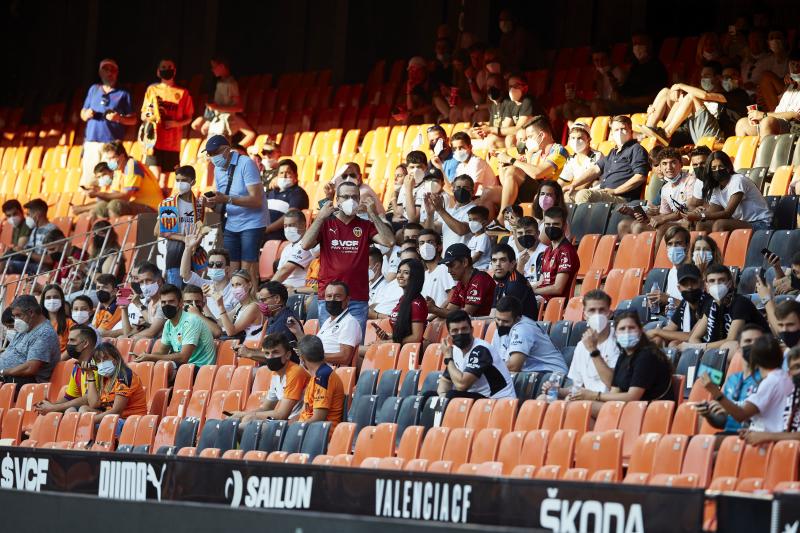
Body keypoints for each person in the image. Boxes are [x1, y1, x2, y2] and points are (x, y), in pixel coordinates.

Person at [300, 181, 394, 329]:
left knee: (354, 345)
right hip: (329, 297)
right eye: (346, 197)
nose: (351, 200)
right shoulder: (326, 224)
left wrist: (373, 214)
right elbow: (305, 244)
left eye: (355, 197)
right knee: (328, 343)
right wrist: (320, 218)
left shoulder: (365, 225)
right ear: (338, 200)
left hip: (357, 297)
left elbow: (389, 241)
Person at [571, 311, 674, 415]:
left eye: (631, 328)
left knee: (582, 407)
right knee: (573, 403)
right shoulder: (623, 356)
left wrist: (594, 395)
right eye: (622, 329)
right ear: (616, 334)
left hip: (650, 412)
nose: (627, 332)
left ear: (641, 331)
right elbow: (615, 391)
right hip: (629, 408)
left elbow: (632, 397)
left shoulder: (647, 355)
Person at [203, 135, 268, 284]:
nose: (212, 157)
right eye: (209, 154)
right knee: (230, 267)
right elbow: (221, 199)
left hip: (252, 222)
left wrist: (227, 199)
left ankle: (251, 301)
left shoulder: (246, 164)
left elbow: (256, 200)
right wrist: (211, 203)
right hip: (232, 221)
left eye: (215, 153)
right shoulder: (217, 169)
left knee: (247, 268)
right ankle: (233, 301)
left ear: (226, 150)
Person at [701, 335, 793, 433]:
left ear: (755, 361)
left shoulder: (771, 381)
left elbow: (741, 415)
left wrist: (715, 391)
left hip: (765, 441)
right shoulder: (785, 378)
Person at [695, 323, 767, 433]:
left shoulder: (767, 379)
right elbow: (723, 422)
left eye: (757, 342)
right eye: (748, 341)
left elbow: (754, 419)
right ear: (738, 347)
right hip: (730, 437)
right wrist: (709, 415)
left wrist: (718, 396)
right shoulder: (733, 379)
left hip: (752, 437)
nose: (753, 345)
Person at [639, 62, 732, 146]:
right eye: (702, 76)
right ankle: (653, 128)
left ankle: (666, 133)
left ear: (717, 78)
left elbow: (705, 95)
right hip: (691, 130)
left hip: (711, 134)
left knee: (690, 97)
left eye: (707, 76)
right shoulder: (698, 92)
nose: (703, 79)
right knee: (666, 92)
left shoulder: (726, 95)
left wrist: (679, 85)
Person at [492, 115, 568, 216]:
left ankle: (502, 218)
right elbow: (508, 182)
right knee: (489, 193)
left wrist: (512, 160)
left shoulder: (559, 151)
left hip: (548, 193)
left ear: (541, 135)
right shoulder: (534, 154)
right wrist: (502, 165)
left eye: (530, 137)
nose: (527, 141)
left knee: (513, 170)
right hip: (531, 192)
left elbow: (537, 173)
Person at [567, 115, 650, 204]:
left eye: (623, 129)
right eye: (616, 130)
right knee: (567, 196)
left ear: (631, 131)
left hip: (621, 198)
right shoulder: (613, 152)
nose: (620, 133)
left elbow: (640, 177)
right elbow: (595, 170)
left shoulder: (636, 149)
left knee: (583, 195)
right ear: (612, 133)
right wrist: (574, 185)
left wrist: (615, 191)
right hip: (604, 194)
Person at [229, 333, 309, 425]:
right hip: (284, 422)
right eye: (267, 353)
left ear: (288, 355)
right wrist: (242, 415)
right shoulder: (276, 373)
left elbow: (282, 414)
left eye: (275, 352)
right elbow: (266, 408)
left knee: (246, 423)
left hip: (297, 423)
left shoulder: (295, 372)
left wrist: (248, 416)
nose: (270, 357)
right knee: (233, 420)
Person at [684, 264, 768, 350]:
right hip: (729, 351)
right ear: (706, 286)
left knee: (729, 346)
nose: (716, 284)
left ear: (730, 283)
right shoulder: (711, 304)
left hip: (760, 347)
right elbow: (694, 338)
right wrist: (700, 351)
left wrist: (700, 347)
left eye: (721, 280)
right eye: (712, 281)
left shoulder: (740, 303)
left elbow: (730, 340)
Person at [79, 59, 135, 186]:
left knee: (109, 182)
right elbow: (82, 114)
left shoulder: (123, 93)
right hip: (92, 143)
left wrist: (118, 118)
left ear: (117, 73)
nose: (109, 72)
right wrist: (86, 114)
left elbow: (133, 120)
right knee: (89, 182)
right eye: (106, 69)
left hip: (111, 146)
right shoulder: (94, 89)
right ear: (100, 72)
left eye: (113, 70)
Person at [437, 310, 516, 399]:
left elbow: (462, 385)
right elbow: (445, 381)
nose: (460, 333)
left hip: (497, 400)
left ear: (472, 330)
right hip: (477, 399)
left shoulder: (481, 350)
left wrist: (448, 358)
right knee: (428, 395)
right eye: (455, 330)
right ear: (449, 335)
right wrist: (442, 397)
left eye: (464, 329)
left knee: (452, 395)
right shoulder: (455, 351)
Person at [688, 150, 772, 232]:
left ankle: (717, 246)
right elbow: (713, 212)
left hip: (761, 223)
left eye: (720, 166)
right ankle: (701, 245)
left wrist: (700, 215)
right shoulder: (716, 188)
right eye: (713, 168)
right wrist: (693, 216)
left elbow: (727, 213)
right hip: (741, 222)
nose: (717, 170)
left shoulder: (738, 180)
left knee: (720, 225)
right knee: (702, 224)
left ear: (728, 168)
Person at [133, 284, 216, 366]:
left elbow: (183, 357)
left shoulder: (191, 321)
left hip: (201, 369)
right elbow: (162, 352)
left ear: (180, 303)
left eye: (171, 301)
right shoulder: (168, 324)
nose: (167, 305)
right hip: (184, 368)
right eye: (163, 302)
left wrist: (151, 357)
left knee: (166, 368)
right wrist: (145, 356)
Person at [140, 58, 194, 182]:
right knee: (154, 178)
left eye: (169, 67)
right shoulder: (152, 90)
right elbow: (144, 114)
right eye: (163, 67)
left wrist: (176, 123)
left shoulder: (183, 93)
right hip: (154, 142)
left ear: (174, 71)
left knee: (164, 184)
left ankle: (163, 202)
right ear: (158, 72)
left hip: (172, 144)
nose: (166, 70)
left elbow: (189, 118)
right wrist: (151, 116)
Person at [289, 281, 361, 366]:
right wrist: (298, 332)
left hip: (330, 373)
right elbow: (312, 350)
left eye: (337, 296)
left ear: (347, 300)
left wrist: (314, 357)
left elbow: (345, 357)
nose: (332, 300)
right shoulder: (328, 321)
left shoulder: (349, 322)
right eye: (329, 296)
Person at [562, 290, 620, 395]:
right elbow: (577, 386)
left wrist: (593, 350)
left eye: (602, 310)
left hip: (606, 401)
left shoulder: (619, 341)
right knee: (543, 398)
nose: (597, 315)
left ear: (609, 313)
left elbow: (613, 384)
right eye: (592, 310)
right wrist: (558, 391)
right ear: (584, 315)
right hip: (584, 400)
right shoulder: (581, 345)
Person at [80, 342, 147, 433]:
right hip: (113, 418)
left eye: (105, 358)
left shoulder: (125, 376)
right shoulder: (104, 377)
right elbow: (94, 404)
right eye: (99, 361)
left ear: (115, 359)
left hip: (130, 421)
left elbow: (116, 410)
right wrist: (91, 376)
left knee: (100, 423)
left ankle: (98, 444)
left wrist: (89, 421)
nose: (102, 363)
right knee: (84, 409)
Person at [156, 165, 205, 287]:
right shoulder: (170, 203)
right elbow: (158, 231)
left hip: (194, 255)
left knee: (193, 294)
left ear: (192, 182)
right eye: (177, 180)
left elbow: (199, 225)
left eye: (184, 180)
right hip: (175, 252)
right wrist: (183, 239)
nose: (180, 183)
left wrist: (201, 232)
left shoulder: (198, 205)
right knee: (175, 292)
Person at [630, 148, 695, 241]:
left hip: (690, 224)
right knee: (634, 225)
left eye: (673, 162)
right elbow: (664, 214)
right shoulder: (665, 188)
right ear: (660, 167)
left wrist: (663, 218)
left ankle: (656, 256)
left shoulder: (690, 180)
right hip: (674, 223)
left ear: (681, 164)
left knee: (661, 228)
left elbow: (688, 209)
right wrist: (648, 218)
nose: (669, 167)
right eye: (664, 164)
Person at [34, 325, 99, 415]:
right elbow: (69, 397)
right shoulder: (77, 366)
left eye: (72, 340)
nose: (68, 344)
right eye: (68, 340)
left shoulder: (98, 364)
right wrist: (49, 405)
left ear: (85, 344)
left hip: (100, 412)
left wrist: (54, 407)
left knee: (70, 411)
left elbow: (87, 399)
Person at [193, 55, 255, 146]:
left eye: (214, 67)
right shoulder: (220, 83)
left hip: (225, 123)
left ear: (222, 66)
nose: (212, 69)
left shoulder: (231, 84)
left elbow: (239, 108)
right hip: (217, 122)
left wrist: (217, 107)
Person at [492, 296, 566, 373]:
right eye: (498, 319)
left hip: (551, 374)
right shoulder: (501, 329)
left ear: (517, 318)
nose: (500, 324)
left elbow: (513, 367)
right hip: (533, 373)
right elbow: (495, 359)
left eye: (505, 321)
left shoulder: (523, 329)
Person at [92, 140, 163, 217]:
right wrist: (98, 197)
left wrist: (98, 194)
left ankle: (117, 229)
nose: (109, 162)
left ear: (122, 156)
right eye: (108, 159)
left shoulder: (132, 164)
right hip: (134, 205)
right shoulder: (118, 171)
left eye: (112, 158)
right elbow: (114, 194)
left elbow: (126, 196)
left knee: (115, 205)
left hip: (151, 207)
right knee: (101, 207)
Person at [0, 295, 60, 384]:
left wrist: (2, 372)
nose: (16, 320)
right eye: (14, 316)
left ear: (31, 312)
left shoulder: (44, 334)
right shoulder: (26, 327)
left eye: (18, 315)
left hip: (23, 383)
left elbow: (30, 368)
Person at [647, 264, 710, 347]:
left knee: (673, 344)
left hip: (707, 345)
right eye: (685, 284)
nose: (689, 287)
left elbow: (691, 336)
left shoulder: (709, 302)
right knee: (658, 340)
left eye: (693, 282)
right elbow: (669, 329)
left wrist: (656, 331)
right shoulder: (684, 304)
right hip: (692, 344)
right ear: (679, 288)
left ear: (702, 284)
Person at [427, 243, 495, 318]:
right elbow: (450, 310)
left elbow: (465, 315)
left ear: (465, 262)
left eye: (452, 265)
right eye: (447, 266)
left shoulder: (480, 280)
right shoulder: (461, 283)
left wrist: (434, 309)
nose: (449, 271)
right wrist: (433, 311)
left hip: (487, 326)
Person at [180, 232, 238, 319]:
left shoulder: (235, 291)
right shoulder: (205, 285)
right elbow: (184, 274)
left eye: (218, 264)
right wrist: (188, 248)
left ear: (227, 269)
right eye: (211, 264)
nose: (214, 267)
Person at [295, 335, 345, 428]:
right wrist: (287, 425)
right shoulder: (316, 376)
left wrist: (294, 428)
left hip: (321, 433)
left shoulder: (324, 376)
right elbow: (303, 413)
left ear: (301, 358)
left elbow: (318, 418)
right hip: (306, 429)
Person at [535, 206, 579, 302]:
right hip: (543, 298)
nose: (551, 228)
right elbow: (541, 282)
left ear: (564, 226)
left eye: (555, 224)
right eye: (547, 224)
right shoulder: (547, 250)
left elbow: (558, 288)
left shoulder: (566, 252)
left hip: (555, 302)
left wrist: (533, 290)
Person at [424, 173, 476, 251]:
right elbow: (431, 231)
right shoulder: (449, 211)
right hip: (446, 259)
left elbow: (461, 230)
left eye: (465, 188)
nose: (461, 190)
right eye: (458, 187)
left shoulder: (476, 210)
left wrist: (440, 210)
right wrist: (430, 214)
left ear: (472, 192)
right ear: (453, 190)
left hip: (463, 260)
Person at [5, 198, 56, 274]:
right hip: (31, 262)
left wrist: (25, 252)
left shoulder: (52, 231)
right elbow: (29, 250)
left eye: (28, 214)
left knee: (3, 265)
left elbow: (50, 260)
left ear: (37, 215)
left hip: (41, 268)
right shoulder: (35, 229)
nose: (27, 218)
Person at [271, 209, 317, 291]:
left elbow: (285, 270)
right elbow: (280, 272)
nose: (288, 229)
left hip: (299, 291)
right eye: (285, 226)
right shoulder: (287, 248)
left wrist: (268, 289)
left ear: (303, 225)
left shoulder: (307, 245)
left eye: (292, 225)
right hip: (284, 290)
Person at [647, 226, 692, 310]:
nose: (674, 247)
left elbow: (694, 309)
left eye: (678, 243)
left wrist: (668, 299)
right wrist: (658, 301)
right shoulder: (672, 271)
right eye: (670, 244)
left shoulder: (693, 272)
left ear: (687, 246)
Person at [264, 159, 309, 242]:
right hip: (261, 235)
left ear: (296, 176)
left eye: (288, 173)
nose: (284, 176)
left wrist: (267, 229)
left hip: (278, 238)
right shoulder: (271, 193)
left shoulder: (298, 193)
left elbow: (291, 216)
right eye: (281, 173)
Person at [491, 244, 538, 320]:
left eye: (502, 260)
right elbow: (493, 315)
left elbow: (504, 318)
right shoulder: (500, 284)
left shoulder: (515, 284)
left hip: (522, 328)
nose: (497, 264)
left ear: (512, 264)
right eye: (494, 260)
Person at [388, 258, 427, 345]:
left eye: (406, 273)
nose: (400, 275)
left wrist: (391, 342)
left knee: (357, 351)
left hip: (407, 352)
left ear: (415, 276)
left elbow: (416, 337)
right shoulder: (403, 299)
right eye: (399, 271)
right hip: (397, 348)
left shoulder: (417, 303)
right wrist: (389, 337)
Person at [215, 270, 261, 342]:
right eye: (233, 285)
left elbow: (231, 332)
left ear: (249, 285)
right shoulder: (239, 305)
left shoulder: (253, 307)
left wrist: (221, 306)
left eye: (238, 284)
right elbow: (218, 323)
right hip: (240, 346)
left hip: (250, 348)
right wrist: (204, 304)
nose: (235, 288)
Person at [418, 230, 456, 312]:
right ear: (418, 250)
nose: (425, 246)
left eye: (430, 242)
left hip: (440, 320)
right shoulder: (424, 275)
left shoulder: (445, 268)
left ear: (439, 247)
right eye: (422, 243)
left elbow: (453, 296)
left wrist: (435, 315)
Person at [513, 216, 548, 285]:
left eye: (528, 232)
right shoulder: (521, 254)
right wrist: (520, 266)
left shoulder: (545, 252)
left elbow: (543, 283)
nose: (524, 235)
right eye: (520, 233)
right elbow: (515, 282)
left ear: (538, 233)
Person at [39, 284, 72, 357]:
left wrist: (57, 362)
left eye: (56, 297)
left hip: (61, 363)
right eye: (48, 298)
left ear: (61, 300)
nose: (52, 300)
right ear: (43, 301)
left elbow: (73, 346)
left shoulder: (70, 323)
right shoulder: (37, 323)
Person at [466, 205, 491, 270]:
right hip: (473, 268)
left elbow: (477, 256)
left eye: (475, 220)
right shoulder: (473, 238)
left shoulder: (484, 237)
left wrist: (465, 266)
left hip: (482, 269)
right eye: (470, 220)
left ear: (484, 222)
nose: (471, 223)